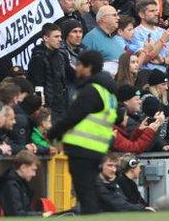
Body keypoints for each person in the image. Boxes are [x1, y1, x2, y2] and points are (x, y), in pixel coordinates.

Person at [47, 51, 116, 215]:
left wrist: (52, 133)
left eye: (79, 64)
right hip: (98, 148)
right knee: (90, 191)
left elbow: (72, 116)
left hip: (81, 148)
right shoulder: (109, 94)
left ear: (88, 67)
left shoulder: (91, 91)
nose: (76, 68)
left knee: (85, 194)